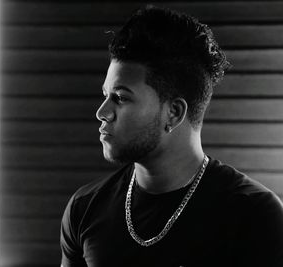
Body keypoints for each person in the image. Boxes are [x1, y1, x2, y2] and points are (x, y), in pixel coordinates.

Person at [60, 5, 283, 267]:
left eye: (120, 98)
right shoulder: (84, 208)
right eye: (105, 95)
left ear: (174, 113)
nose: (102, 112)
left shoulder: (255, 216)